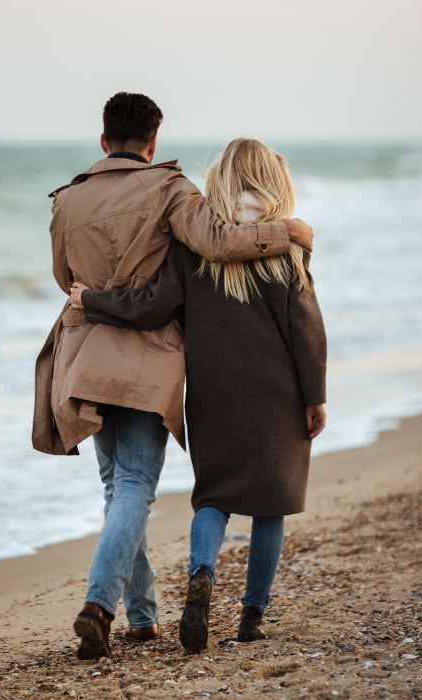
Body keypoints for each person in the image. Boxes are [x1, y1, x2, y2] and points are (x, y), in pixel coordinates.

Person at [33, 93, 316, 660]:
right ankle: (99, 606)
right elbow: (217, 243)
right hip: (146, 360)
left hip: (87, 353)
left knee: (118, 489)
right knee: (134, 487)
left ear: (103, 139)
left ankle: (142, 616)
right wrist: (287, 234)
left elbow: (64, 277)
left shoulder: (66, 201)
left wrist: (96, 296)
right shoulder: (170, 189)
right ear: (154, 141)